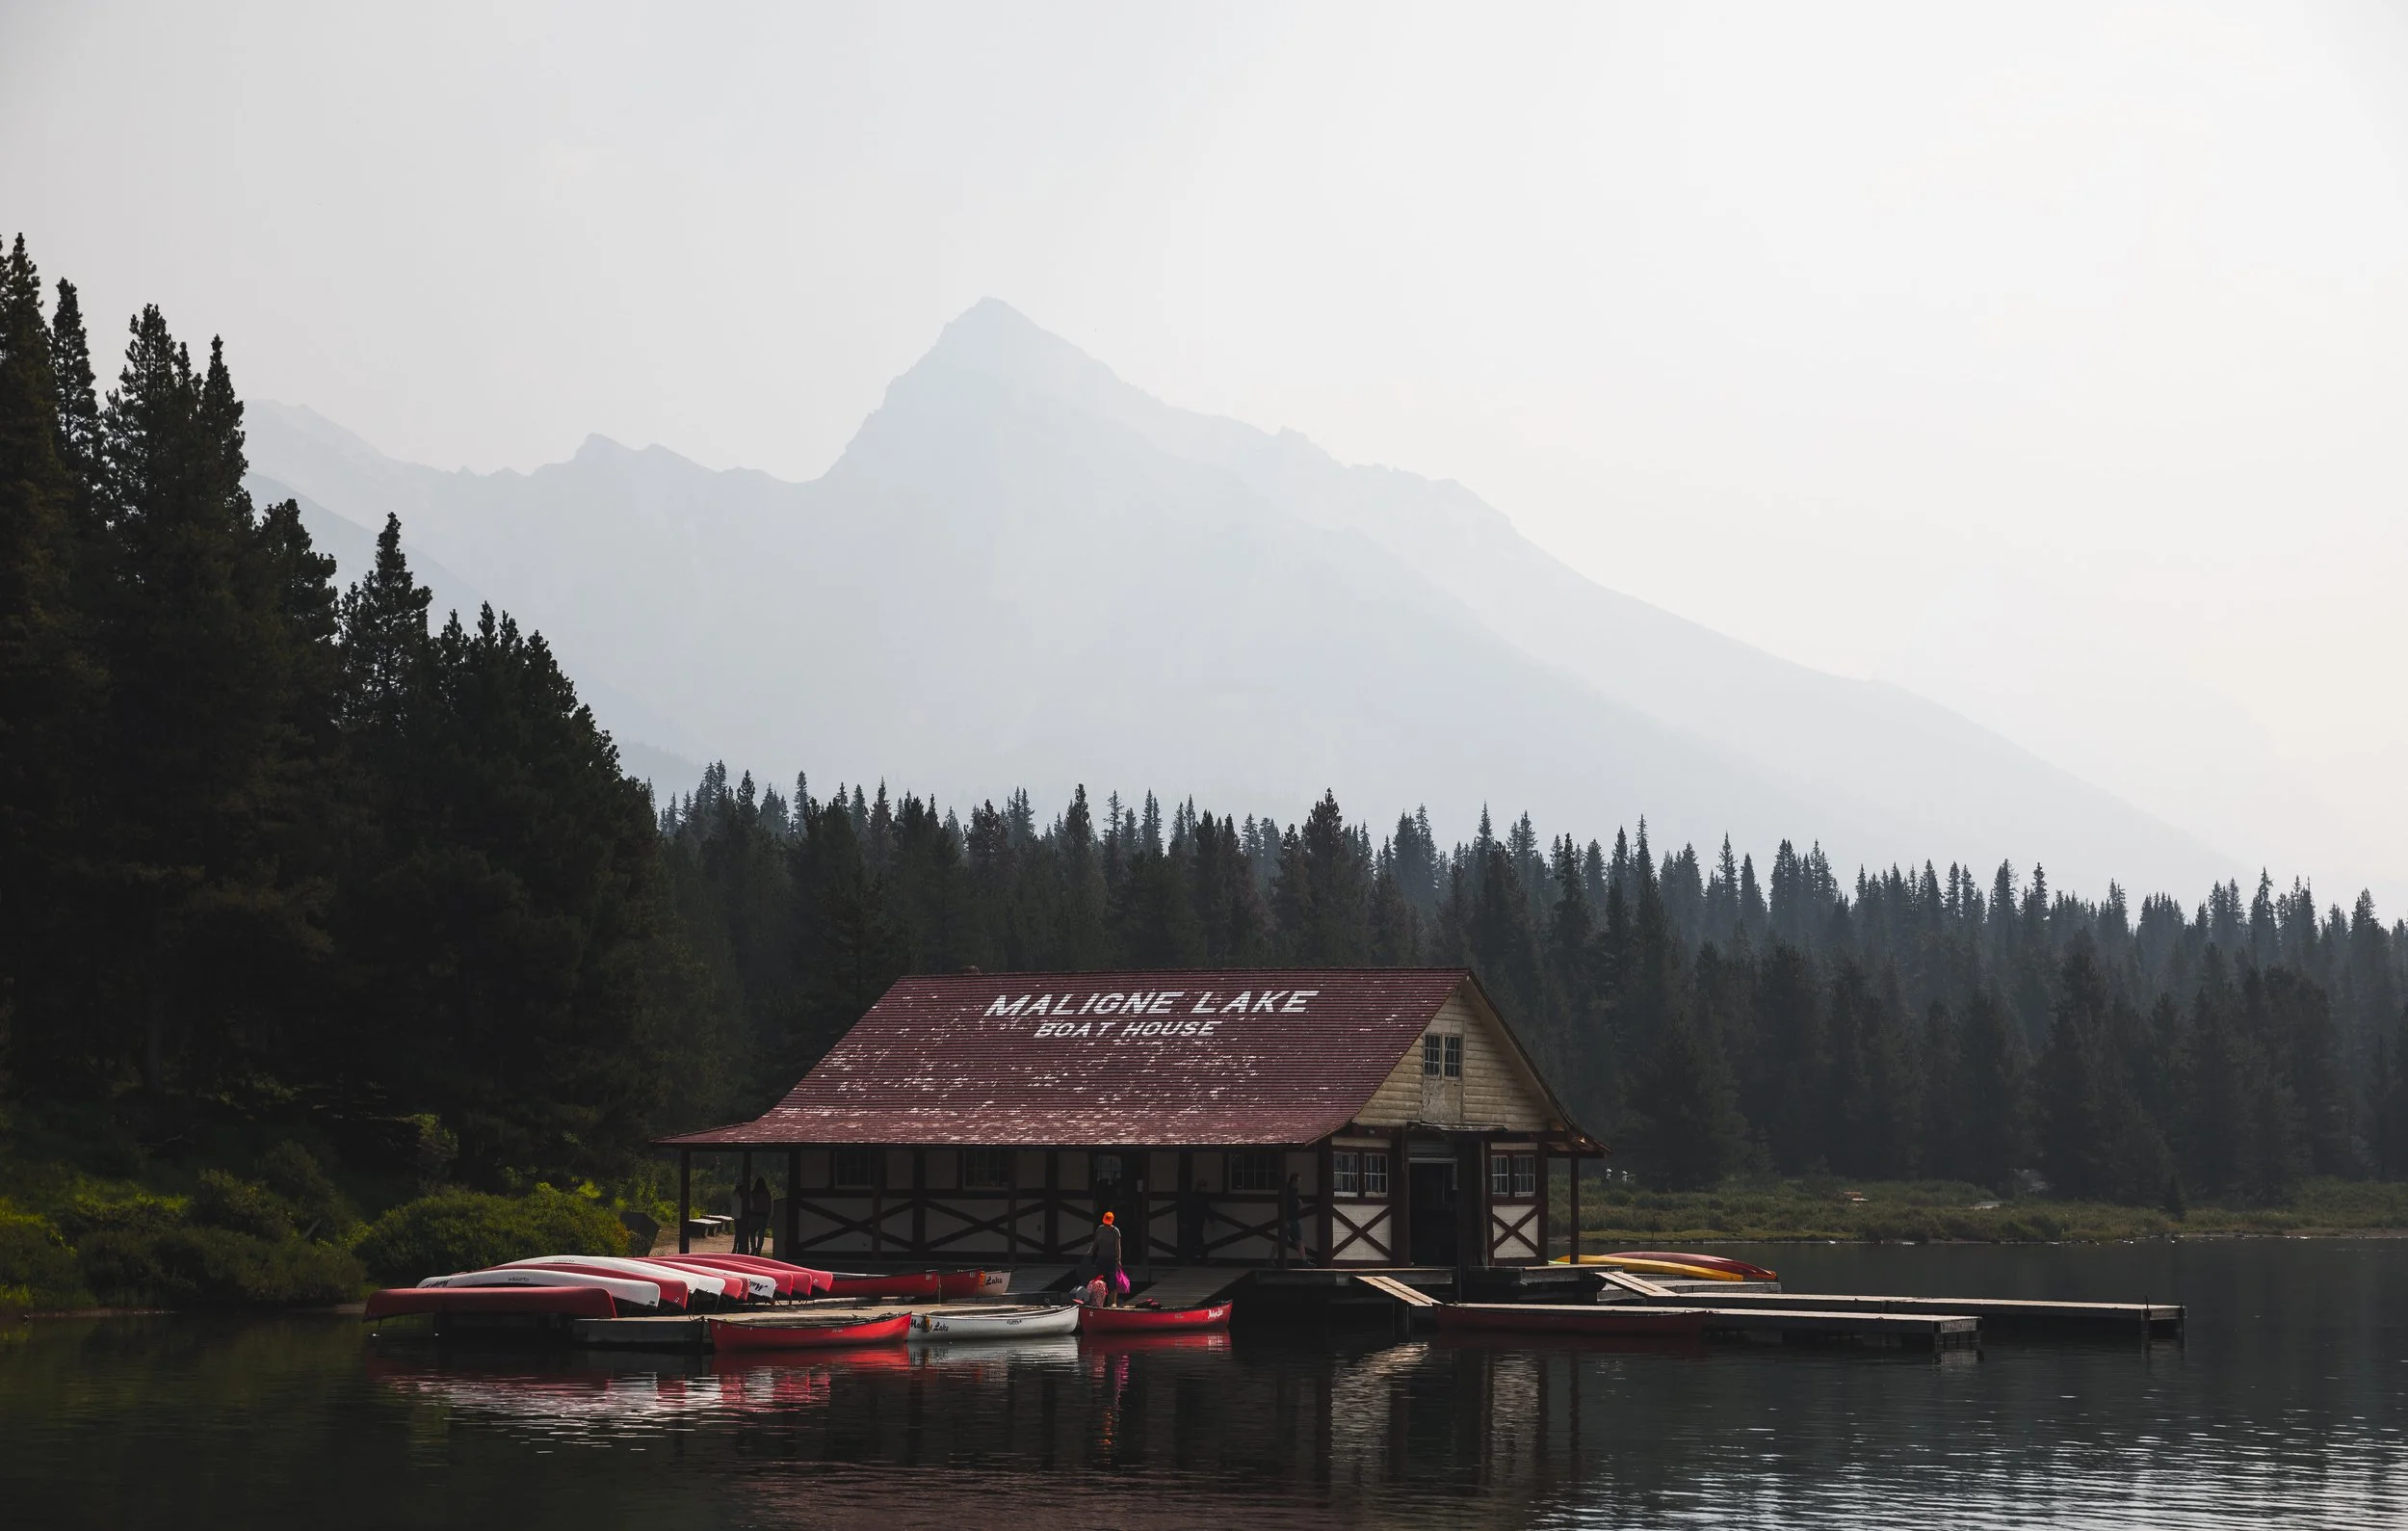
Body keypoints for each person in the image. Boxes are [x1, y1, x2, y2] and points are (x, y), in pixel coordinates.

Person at [1091, 1209, 1123, 1306]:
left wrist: (1119, 1259)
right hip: (1101, 1258)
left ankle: (1112, 1303)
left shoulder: (1115, 1231)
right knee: (1099, 1281)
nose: (1106, 1226)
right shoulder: (1100, 1229)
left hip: (1112, 1259)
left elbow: (1118, 1247)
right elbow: (1096, 1242)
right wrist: (1091, 1251)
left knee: (1112, 1282)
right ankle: (1099, 1302)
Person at [1280, 1172, 1304, 1269]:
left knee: (1298, 1240)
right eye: (1298, 1181)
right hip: (1289, 1219)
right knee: (1281, 1241)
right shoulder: (1288, 1191)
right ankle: (1304, 1261)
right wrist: (1285, 1221)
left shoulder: (1294, 1191)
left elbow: (1295, 1207)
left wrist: (1299, 1204)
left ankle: (1304, 1261)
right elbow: (1284, 1207)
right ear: (1294, 1181)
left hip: (1294, 1219)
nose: (1298, 1183)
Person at [747, 1176, 773, 1254]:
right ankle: (758, 1249)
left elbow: (749, 1204)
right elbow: (770, 1206)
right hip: (763, 1216)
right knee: (761, 1235)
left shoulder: (753, 1193)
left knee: (752, 1233)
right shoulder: (767, 1193)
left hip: (754, 1215)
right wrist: (769, 1217)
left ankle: (753, 1248)